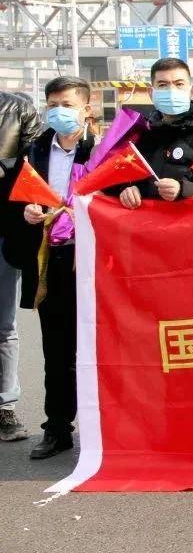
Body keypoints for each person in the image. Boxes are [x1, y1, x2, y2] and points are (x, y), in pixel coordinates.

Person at [2, 77, 94, 458]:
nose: (59, 112)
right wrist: (26, 212)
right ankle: (57, 429)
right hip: (50, 261)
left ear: (87, 108)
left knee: (99, 350)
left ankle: (104, 432)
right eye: (53, 105)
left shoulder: (103, 150)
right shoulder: (35, 150)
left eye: (67, 105)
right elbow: (15, 200)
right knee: (56, 352)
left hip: (92, 263)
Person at [116, 57, 193, 210]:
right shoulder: (141, 136)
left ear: (192, 92)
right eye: (163, 85)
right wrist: (127, 190)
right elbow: (119, 178)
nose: (171, 91)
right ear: (151, 93)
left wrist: (183, 190)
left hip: (190, 223)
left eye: (179, 84)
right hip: (147, 223)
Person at [0, 91, 42, 444]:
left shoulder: (17, 109)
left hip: (4, 231)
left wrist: (5, 167)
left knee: (3, 326)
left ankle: (4, 406)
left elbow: (36, 166)